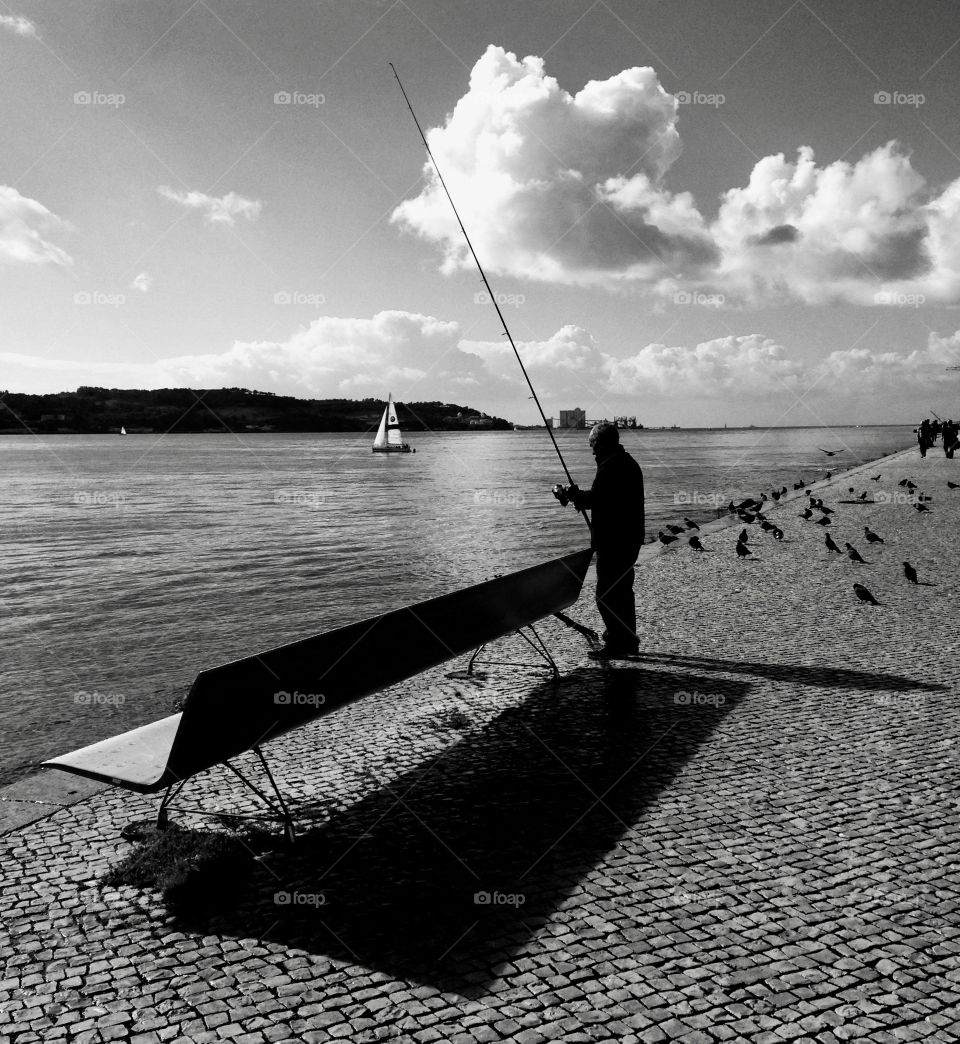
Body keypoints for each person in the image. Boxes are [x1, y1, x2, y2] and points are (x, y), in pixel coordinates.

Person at [558, 422, 645, 659]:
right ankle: (626, 638)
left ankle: (619, 642)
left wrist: (574, 496)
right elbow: (606, 498)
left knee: (606, 594)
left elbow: (599, 499)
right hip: (629, 539)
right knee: (622, 592)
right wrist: (579, 496)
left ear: (604, 443)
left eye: (593, 444)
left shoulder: (611, 466)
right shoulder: (626, 462)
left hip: (615, 542)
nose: (592, 450)